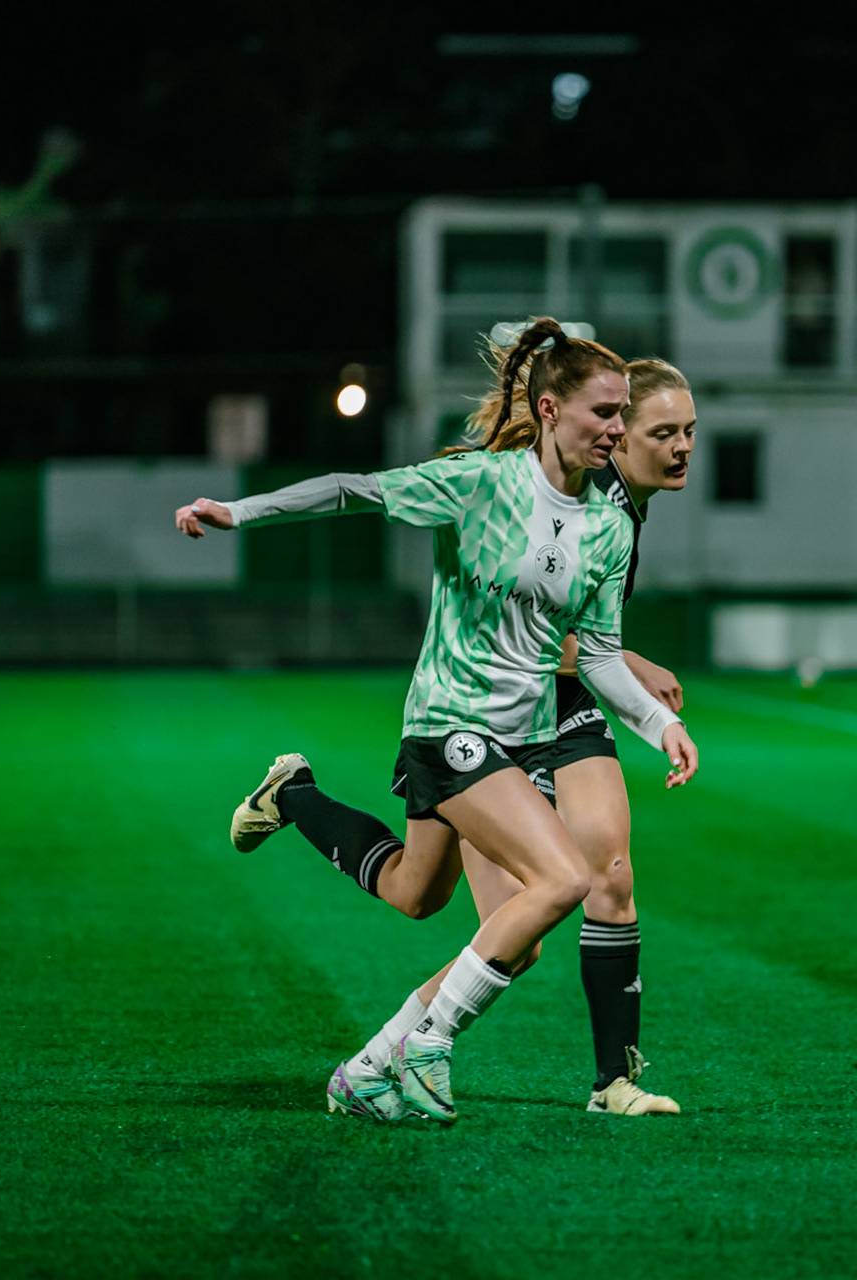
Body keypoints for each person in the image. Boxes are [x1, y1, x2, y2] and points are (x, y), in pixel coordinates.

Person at [173, 318, 699, 1125]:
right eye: (613, 415)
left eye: (630, 417)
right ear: (552, 410)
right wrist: (238, 511)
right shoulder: (483, 483)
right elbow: (353, 487)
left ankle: (298, 804)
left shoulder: (604, 523)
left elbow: (594, 656)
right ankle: (426, 1047)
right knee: (558, 890)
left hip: (515, 739)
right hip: (451, 726)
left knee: (420, 894)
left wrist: (658, 727)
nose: (624, 432)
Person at [318, 353, 697, 1120]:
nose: (681, 444)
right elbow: (537, 636)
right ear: (615, 438)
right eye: (663, 430)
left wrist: (627, 669)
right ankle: (375, 1057)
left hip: (566, 709)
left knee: (610, 878)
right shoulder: (575, 494)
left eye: (688, 430)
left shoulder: (621, 506)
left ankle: (613, 1081)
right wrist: (626, 664)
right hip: (487, 719)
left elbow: (581, 638)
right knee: (462, 914)